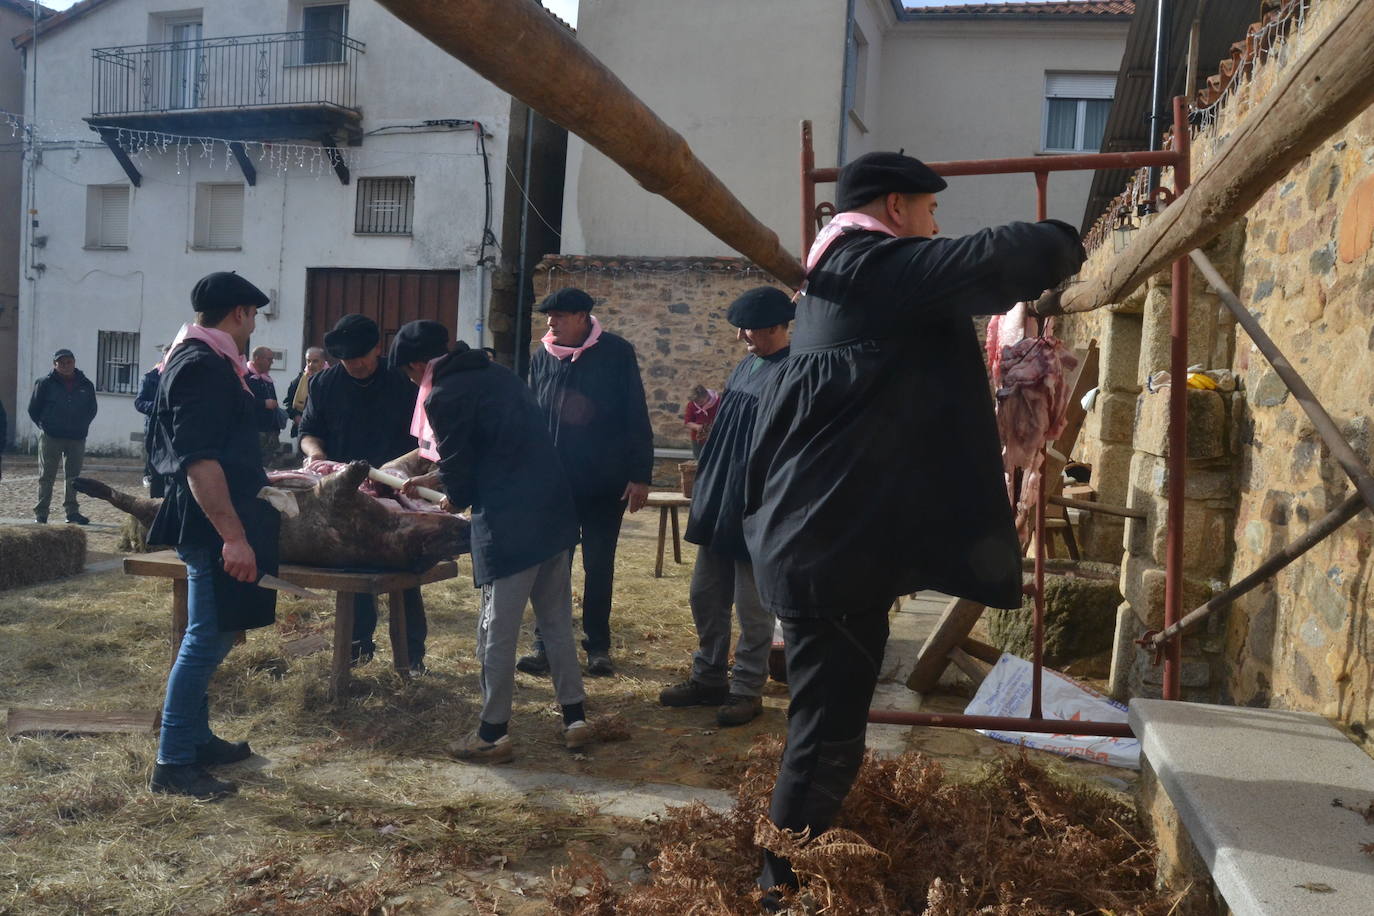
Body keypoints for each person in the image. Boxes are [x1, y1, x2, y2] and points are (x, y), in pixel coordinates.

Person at [741, 151, 1087, 901]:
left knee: (828, 728)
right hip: (828, 552)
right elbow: (1010, 253)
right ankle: (781, 888)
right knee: (825, 738)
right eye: (930, 212)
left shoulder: (838, 277)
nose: (935, 227)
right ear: (895, 208)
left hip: (827, 543)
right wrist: (1069, 240)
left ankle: (792, 871)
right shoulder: (869, 266)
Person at [390, 320, 590, 763]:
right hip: (552, 509)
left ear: (418, 365)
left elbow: (462, 466)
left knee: (497, 630)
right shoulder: (497, 373)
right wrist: (435, 478)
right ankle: (575, 718)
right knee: (556, 622)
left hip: (509, 522)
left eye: (408, 373)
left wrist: (452, 496)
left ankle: (492, 732)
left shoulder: (444, 395)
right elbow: (494, 447)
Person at [145, 271, 280, 798]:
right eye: (254, 315)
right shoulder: (201, 364)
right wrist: (234, 537)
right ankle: (173, 761)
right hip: (208, 522)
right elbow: (199, 460)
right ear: (240, 313)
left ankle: (196, 740)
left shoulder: (207, 359)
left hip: (216, 516)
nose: (254, 325)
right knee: (207, 638)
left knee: (213, 631)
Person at [660, 287, 792, 727]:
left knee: (752, 608)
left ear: (775, 327)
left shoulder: (793, 371)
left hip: (757, 506)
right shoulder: (745, 366)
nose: (740, 336)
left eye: (748, 328)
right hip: (720, 500)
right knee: (705, 596)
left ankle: (747, 690)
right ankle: (708, 677)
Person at [520, 287, 654, 678]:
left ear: (582, 318)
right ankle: (546, 646)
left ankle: (598, 647)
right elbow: (531, 417)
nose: (551, 323)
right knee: (551, 568)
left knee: (598, 566)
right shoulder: (542, 356)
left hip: (604, 483)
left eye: (560, 316)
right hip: (554, 485)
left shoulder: (616, 352)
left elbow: (635, 411)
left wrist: (640, 475)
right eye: (549, 317)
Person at [299, 314, 427, 671]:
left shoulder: (402, 381)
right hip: (345, 491)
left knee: (405, 575)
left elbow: (424, 439)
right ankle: (357, 648)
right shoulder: (324, 383)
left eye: (361, 357)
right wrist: (317, 456)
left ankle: (412, 658)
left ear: (377, 349)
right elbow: (309, 432)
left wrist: (398, 472)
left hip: (397, 489)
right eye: (346, 359)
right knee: (351, 571)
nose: (354, 365)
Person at [28, 348, 98, 525]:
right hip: (51, 437)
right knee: (46, 476)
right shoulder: (44, 383)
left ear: (74, 363)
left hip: (76, 437)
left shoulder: (86, 384)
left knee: (74, 477)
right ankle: (41, 513)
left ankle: (72, 512)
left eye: (69, 362)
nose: (66, 366)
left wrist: (82, 426)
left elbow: (92, 409)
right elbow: (33, 409)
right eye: (61, 363)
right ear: (55, 364)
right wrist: (45, 426)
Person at [245, 346, 284, 467]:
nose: (272, 362)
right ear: (257, 358)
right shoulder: (245, 377)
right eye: (269, 359)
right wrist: (264, 403)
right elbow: (242, 400)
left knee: (271, 465)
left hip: (270, 430)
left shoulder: (266, 378)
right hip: (255, 430)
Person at [135, 357, 166, 496]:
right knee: (155, 467)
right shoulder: (149, 378)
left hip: (173, 428)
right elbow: (139, 403)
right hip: (154, 428)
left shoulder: (179, 375)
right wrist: (158, 407)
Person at [284, 347, 327, 441]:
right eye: (308, 361)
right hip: (305, 430)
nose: (311, 365)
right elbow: (288, 402)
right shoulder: (299, 380)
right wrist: (296, 416)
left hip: (326, 431)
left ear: (323, 362)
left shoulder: (331, 379)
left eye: (315, 361)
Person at [682, 384, 720, 459]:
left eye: (701, 401)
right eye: (696, 402)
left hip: (716, 439)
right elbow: (687, 422)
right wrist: (697, 427)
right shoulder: (692, 404)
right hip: (698, 441)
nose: (699, 404)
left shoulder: (719, 402)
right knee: (699, 462)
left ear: (707, 395)